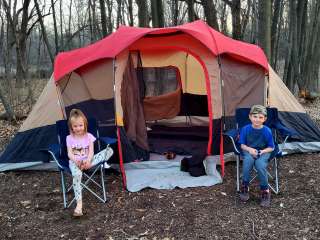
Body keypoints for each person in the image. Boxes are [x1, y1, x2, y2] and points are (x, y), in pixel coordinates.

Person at [66, 109, 112, 216]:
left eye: (80, 125)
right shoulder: (69, 138)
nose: (78, 128)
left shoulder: (89, 137)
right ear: (71, 127)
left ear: (85, 125)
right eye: (75, 126)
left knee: (109, 150)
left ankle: (91, 165)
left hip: (88, 161)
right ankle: (79, 205)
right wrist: (76, 161)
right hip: (75, 162)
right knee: (77, 174)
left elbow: (91, 152)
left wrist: (88, 161)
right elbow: (69, 154)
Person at [239, 105, 275, 207]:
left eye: (260, 117)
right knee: (247, 162)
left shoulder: (267, 131)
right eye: (255, 117)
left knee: (260, 165)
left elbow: (271, 147)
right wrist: (250, 150)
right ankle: (245, 186)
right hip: (248, 150)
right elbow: (242, 145)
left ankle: (265, 191)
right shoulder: (245, 129)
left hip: (263, 151)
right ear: (250, 117)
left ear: (265, 119)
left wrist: (261, 152)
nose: (257, 120)